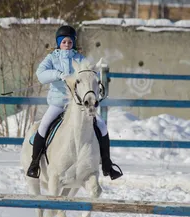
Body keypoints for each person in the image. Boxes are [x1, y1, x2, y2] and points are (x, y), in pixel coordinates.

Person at [26, 25, 122, 180]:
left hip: (79, 106)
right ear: (58, 43)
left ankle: (107, 165)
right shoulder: (51, 58)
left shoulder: (80, 59)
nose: (67, 44)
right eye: (64, 42)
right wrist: (58, 74)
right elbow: (41, 75)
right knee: (43, 126)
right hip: (58, 103)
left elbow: (89, 74)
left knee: (102, 126)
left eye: (70, 42)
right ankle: (35, 163)